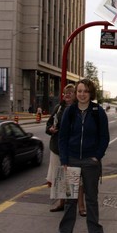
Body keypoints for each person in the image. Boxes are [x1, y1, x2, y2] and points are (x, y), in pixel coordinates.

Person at [49, 79, 110, 233]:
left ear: (91, 93)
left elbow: (104, 137)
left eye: (85, 91)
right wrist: (64, 160)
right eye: (79, 91)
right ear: (76, 93)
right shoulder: (70, 111)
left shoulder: (98, 112)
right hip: (72, 160)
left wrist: (97, 156)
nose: (82, 94)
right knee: (69, 201)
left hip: (91, 162)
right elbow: (62, 138)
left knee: (91, 200)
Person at [45, 84, 86, 216]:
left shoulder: (79, 109)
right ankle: (61, 203)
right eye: (64, 93)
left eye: (69, 92)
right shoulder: (59, 108)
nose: (66, 95)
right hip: (57, 147)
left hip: (73, 148)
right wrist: (50, 129)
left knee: (78, 177)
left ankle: (81, 206)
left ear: (75, 95)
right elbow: (49, 123)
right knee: (60, 177)